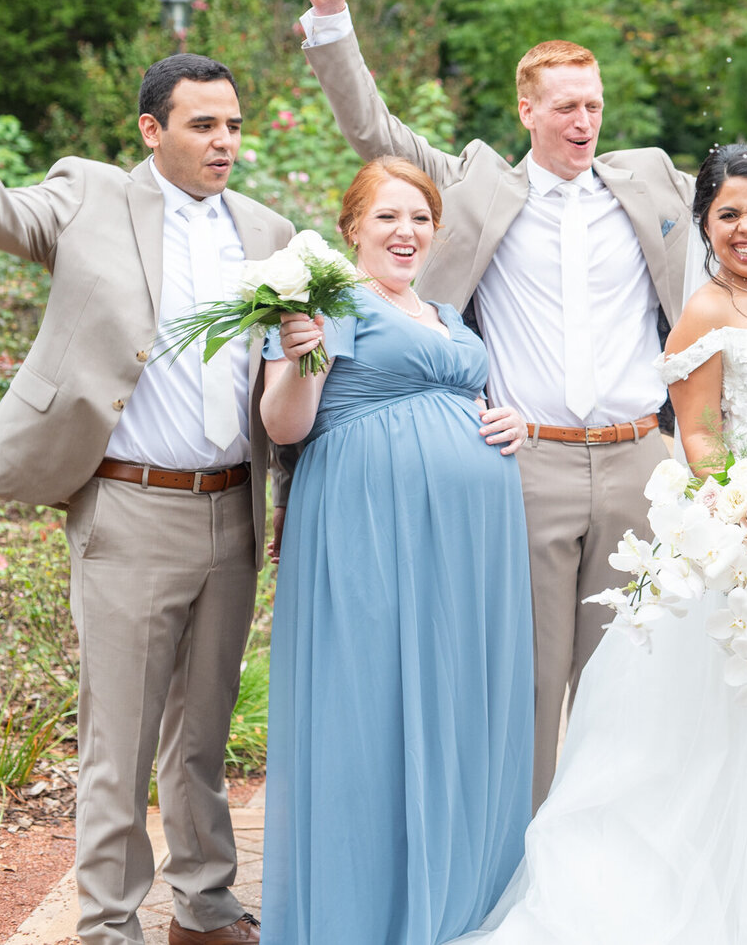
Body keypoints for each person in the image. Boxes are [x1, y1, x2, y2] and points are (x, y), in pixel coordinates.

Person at [296, 0, 747, 806]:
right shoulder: (477, 187)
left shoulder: (645, 185)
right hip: (526, 466)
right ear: (527, 108)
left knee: (625, 682)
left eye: (592, 105)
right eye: (564, 106)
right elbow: (375, 130)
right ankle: (520, 871)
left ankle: (602, 869)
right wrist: (334, 23)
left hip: (640, 462)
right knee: (525, 684)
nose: (582, 121)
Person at [448, 144, 747, 945]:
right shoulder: (704, 311)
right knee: (730, 729)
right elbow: (698, 436)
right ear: (704, 226)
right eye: (728, 214)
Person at [0, 55, 292, 945]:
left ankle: (204, 906)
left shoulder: (271, 233)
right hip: (128, 507)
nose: (224, 141)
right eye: (202, 125)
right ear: (153, 130)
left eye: (232, 124)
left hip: (231, 507)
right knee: (118, 738)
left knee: (203, 736)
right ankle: (109, 923)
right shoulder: (90, 198)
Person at [258, 158, 534, 943]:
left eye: (419, 218)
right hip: (368, 531)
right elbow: (286, 424)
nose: (405, 232)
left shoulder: (446, 313)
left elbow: (472, 401)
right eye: (387, 217)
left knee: (457, 706)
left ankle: (457, 902)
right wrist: (303, 352)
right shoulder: (328, 304)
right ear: (352, 229)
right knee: (369, 708)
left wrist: (509, 421)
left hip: (468, 551)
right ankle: (366, 915)